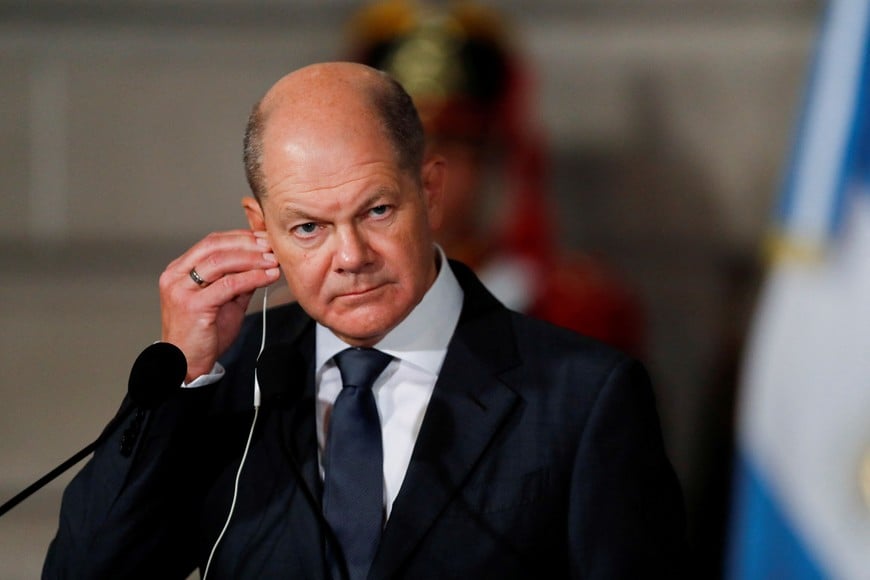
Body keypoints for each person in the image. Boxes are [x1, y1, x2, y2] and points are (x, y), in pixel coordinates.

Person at [43, 62, 685, 579]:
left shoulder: (585, 395)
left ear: (429, 191)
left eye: (377, 211)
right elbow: (84, 569)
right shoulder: (227, 382)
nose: (350, 257)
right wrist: (181, 374)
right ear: (260, 229)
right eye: (308, 228)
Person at [345, 0, 645, 356]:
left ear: (493, 157)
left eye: (452, 145)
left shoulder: (573, 311)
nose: (422, 169)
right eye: (402, 148)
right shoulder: (319, 311)